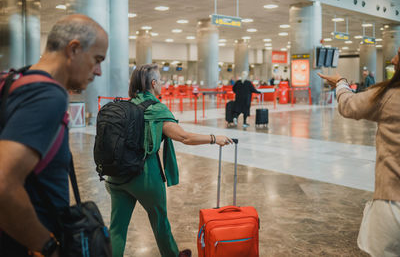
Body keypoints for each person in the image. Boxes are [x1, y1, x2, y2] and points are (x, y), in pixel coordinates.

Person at [0, 15, 108, 256]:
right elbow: (3, 182)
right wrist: (47, 247)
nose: (99, 72)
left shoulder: (16, 80)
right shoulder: (48, 96)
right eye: (97, 60)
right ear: (74, 49)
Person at [106, 64, 233, 257]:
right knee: (160, 222)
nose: (163, 84)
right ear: (154, 83)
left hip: (115, 176)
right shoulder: (156, 109)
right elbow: (184, 137)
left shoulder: (125, 106)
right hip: (144, 176)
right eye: (161, 80)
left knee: (116, 228)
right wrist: (214, 138)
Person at [318, 47, 400, 256]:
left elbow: (349, 105)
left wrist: (340, 83)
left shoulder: (391, 97)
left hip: (392, 201)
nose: (393, 59)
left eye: (399, 53)